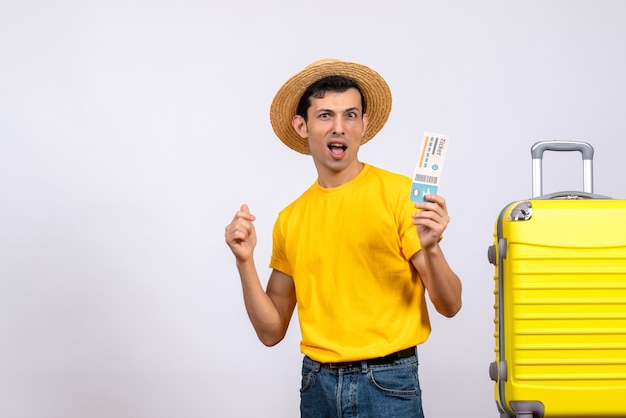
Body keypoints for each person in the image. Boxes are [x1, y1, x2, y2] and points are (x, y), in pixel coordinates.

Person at [224, 59, 462, 418]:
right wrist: (244, 262)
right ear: (301, 125)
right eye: (325, 116)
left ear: (364, 124)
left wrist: (432, 248)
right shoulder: (291, 219)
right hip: (316, 385)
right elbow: (271, 331)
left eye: (350, 115)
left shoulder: (401, 195)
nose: (339, 127)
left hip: (388, 384)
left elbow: (450, 304)